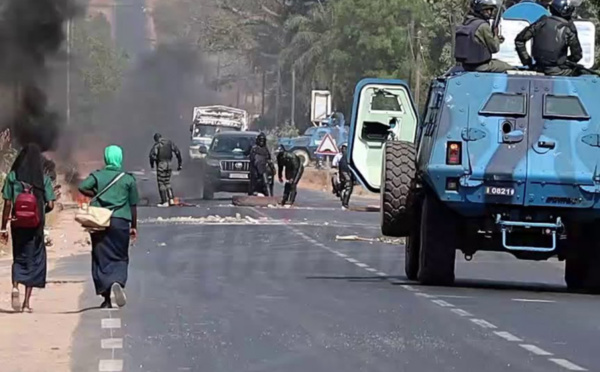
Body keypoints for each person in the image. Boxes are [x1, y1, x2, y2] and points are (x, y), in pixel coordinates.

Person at [79, 145, 139, 309]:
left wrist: (96, 194)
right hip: (121, 222)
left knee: (100, 256)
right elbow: (133, 205)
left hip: (100, 221)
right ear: (119, 158)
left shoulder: (97, 176)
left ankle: (106, 297)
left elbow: (82, 186)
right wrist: (133, 226)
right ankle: (117, 282)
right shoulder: (128, 179)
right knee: (120, 255)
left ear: (106, 158)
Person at [0, 144, 55, 312]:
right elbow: (51, 204)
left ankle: (15, 285)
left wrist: (3, 228)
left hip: (17, 224)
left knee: (19, 256)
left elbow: (7, 203)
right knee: (33, 260)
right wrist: (41, 212)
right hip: (36, 226)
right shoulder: (42, 179)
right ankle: (26, 303)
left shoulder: (12, 177)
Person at [515, 0, 583, 76]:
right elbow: (577, 56)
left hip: (538, 68)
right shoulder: (568, 29)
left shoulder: (540, 23)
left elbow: (519, 40)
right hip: (559, 72)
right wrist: (565, 62)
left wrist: (527, 62)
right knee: (582, 73)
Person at [455, 0, 514, 73]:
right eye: (487, 10)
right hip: (481, 66)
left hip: (466, 65)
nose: (489, 12)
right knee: (511, 68)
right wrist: (495, 34)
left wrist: (497, 39)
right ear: (480, 9)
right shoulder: (483, 26)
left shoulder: (467, 22)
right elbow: (495, 49)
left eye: (491, 10)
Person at [149, 133, 182, 207]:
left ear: (156, 139)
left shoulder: (157, 145)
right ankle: (171, 199)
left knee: (161, 182)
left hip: (161, 164)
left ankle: (164, 201)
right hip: (169, 164)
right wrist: (180, 164)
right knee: (167, 182)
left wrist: (152, 164)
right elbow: (177, 152)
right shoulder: (170, 143)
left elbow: (152, 155)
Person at [334, 144, 354, 210]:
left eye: (345, 148)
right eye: (343, 148)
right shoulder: (344, 155)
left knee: (346, 185)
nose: (344, 149)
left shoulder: (348, 154)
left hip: (345, 172)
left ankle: (342, 195)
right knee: (349, 186)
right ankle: (345, 204)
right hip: (345, 172)